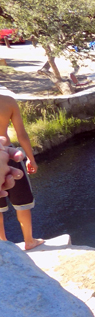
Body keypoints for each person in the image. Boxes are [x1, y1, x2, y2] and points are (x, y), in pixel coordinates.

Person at [0, 93, 43, 250]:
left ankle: (3, 244)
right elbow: (21, 134)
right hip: (9, 155)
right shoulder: (8, 102)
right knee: (22, 202)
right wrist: (31, 158)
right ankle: (29, 241)